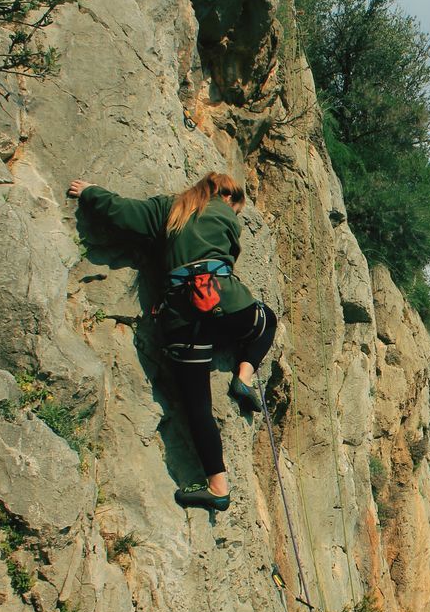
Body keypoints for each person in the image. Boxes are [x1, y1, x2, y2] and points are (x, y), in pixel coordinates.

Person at [68, 172, 277, 511]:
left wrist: (90, 191)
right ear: (227, 197)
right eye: (236, 208)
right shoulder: (224, 214)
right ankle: (243, 378)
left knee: (197, 408)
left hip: (183, 320)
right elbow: (229, 253)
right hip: (227, 306)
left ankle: (218, 487)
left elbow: (120, 212)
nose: (235, 215)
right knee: (266, 321)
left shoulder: (167, 209)